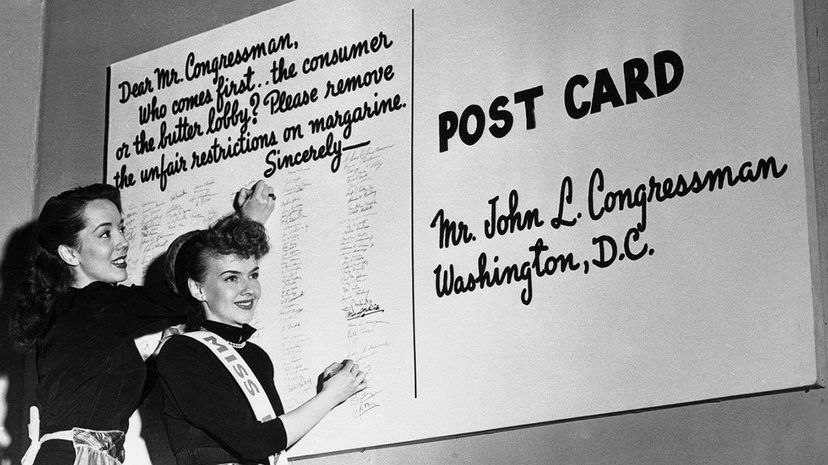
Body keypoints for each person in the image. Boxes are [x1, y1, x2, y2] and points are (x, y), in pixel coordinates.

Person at [10, 180, 275, 465]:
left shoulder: (81, 317)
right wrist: (246, 224)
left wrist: (156, 361)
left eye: (121, 229)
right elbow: (180, 292)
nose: (122, 241)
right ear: (70, 253)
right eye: (105, 234)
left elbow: (103, 403)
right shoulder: (92, 303)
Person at [156, 214, 366, 465]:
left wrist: (327, 393)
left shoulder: (256, 357)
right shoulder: (182, 352)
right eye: (232, 278)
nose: (249, 289)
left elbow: (272, 444)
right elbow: (254, 442)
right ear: (198, 289)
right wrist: (329, 397)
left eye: (253, 275)